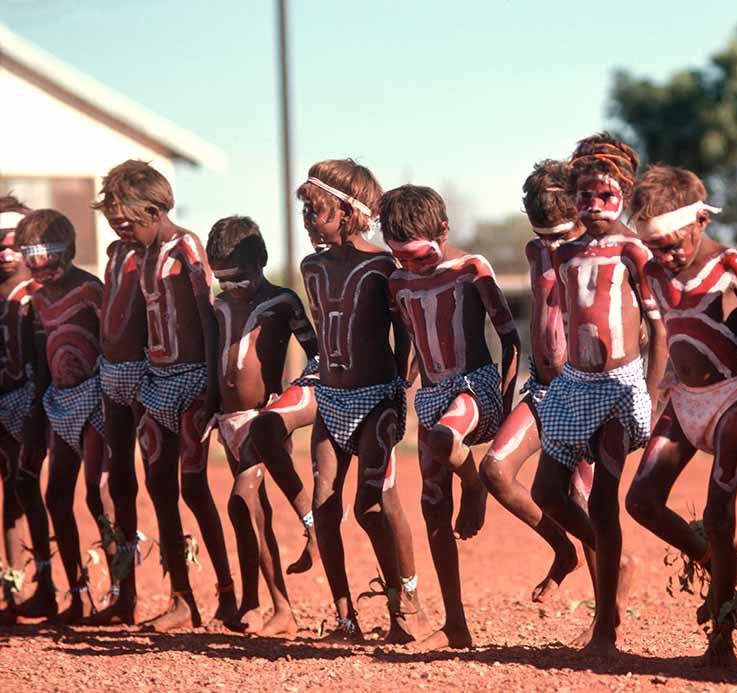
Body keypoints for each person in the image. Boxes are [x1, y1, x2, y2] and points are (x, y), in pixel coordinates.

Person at [625, 165, 737, 664]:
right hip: (684, 396)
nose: (667, 256)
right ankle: (719, 562)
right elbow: (665, 337)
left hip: (733, 396)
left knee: (719, 512)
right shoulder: (652, 272)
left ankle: (721, 639)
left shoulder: (732, 264)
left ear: (700, 222)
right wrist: (654, 399)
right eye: (657, 247)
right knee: (642, 500)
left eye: (674, 244)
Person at [531, 133, 666, 657]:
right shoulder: (565, 253)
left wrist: (650, 394)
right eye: (583, 196)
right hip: (573, 385)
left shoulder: (635, 250)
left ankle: (605, 626)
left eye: (604, 197)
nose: (592, 207)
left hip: (619, 385)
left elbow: (659, 328)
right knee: (547, 492)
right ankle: (610, 558)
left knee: (606, 502)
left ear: (625, 196)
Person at [382, 183, 520, 651]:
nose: (413, 267)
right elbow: (412, 342)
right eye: (401, 258)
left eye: (420, 256)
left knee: (444, 438)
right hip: (433, 394)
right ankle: (455, 624)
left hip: (475, 387)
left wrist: (504, 397)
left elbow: (511, 338)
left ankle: (476, 485)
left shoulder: (470, 268)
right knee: (432, 505)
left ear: (443, 231)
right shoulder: (397, 282)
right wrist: (402, 386)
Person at [300, 161, 426, 643]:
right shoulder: (311, 268)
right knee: (325, 504)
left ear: (349, 211)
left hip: (377, 399)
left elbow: (406, 335)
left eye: (316, 210)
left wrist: (400, 390)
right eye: (305, 211)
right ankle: (345, 619)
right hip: (331, 398)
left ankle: (405, 606)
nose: (308, 220)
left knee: (375, 505)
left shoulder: (383, 267)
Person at [478, 160, 594, 605]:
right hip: (544, 389)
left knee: (581, 501)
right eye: (542, 234)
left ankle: (605, 619)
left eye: (559, 235)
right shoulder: (535, 251)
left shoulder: (593, 252)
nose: (550, 244)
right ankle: (564, 552)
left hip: (585, 391)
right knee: (495, 470)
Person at [125, 161, 234, 631]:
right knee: (160, 489)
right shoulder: (142, 254)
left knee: (193, 487)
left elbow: (208, 318)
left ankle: (227, 594)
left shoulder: (187, 246)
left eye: (125, 217)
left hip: (191, 381)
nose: (118, 225)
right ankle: (181, 597)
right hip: (156, 383)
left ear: (152, 210)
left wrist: (212, 386)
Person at [207, 215, 318, 638]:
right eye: (223, 282)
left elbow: (317, 356)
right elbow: (212, 361)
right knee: (250, 513)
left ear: (261, 263)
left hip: (264, 419)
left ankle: (282, 606)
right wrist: (209, 409)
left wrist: (290, 404)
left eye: (238, 281)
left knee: (241, 501)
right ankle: (258, 601)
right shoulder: (218, 307)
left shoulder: (282, 303)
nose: (231, 290)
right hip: (228, 422)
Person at [15, 209, 110, 623]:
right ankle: (77, 592)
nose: (42, 269)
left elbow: (114, 342)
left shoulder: (90, 289)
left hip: (95, 399)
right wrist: (36, 423)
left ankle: (122, 592)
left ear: (68, 251)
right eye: (32, 258)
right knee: (56, 496)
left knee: (96, 495)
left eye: (49, 258)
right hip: (60, 401)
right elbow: (40, 363)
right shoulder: (35, 299)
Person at [88, 162, 155, 625]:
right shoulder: (115, 252)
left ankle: (184, 594)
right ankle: (122, 590)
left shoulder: (160, 253)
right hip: (110, 375)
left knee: (163, 485)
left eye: (123, 209)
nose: (116, 219)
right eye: (109, 210)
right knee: (114, 483)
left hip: (149, 377)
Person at [0, 197, 44, 621]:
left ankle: (49, 583)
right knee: (9, 494)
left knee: (27, 487)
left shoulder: (35, 293)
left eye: (13, 243)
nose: (5, 251)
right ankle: (12, 585)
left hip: (30, 403)